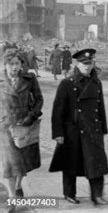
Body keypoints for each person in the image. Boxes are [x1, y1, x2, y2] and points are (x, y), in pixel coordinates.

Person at [49, 48, 108, 206]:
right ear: (77, 65)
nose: (88, 67)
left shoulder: (96, 83)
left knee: (97, 163)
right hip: (73, 130)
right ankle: (69, 193)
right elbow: (58, 111)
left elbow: (100, 107)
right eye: (84, 64)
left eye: (90, 63)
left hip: (92, 129)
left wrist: (103, 128)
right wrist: (58, 133)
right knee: (71, 163)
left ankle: (97, 195)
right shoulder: (67, 84)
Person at [0, 48, 43, 205]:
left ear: (21, 64)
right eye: (11, 63)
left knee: (23, 163)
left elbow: (39, 99)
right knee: (9, 163)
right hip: (4, 127)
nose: (14, 67)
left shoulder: (29, 78)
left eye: (17, 63)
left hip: (25, 126)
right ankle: (12, 197)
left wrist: (32, 116)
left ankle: (18, 186)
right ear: (5, 64)